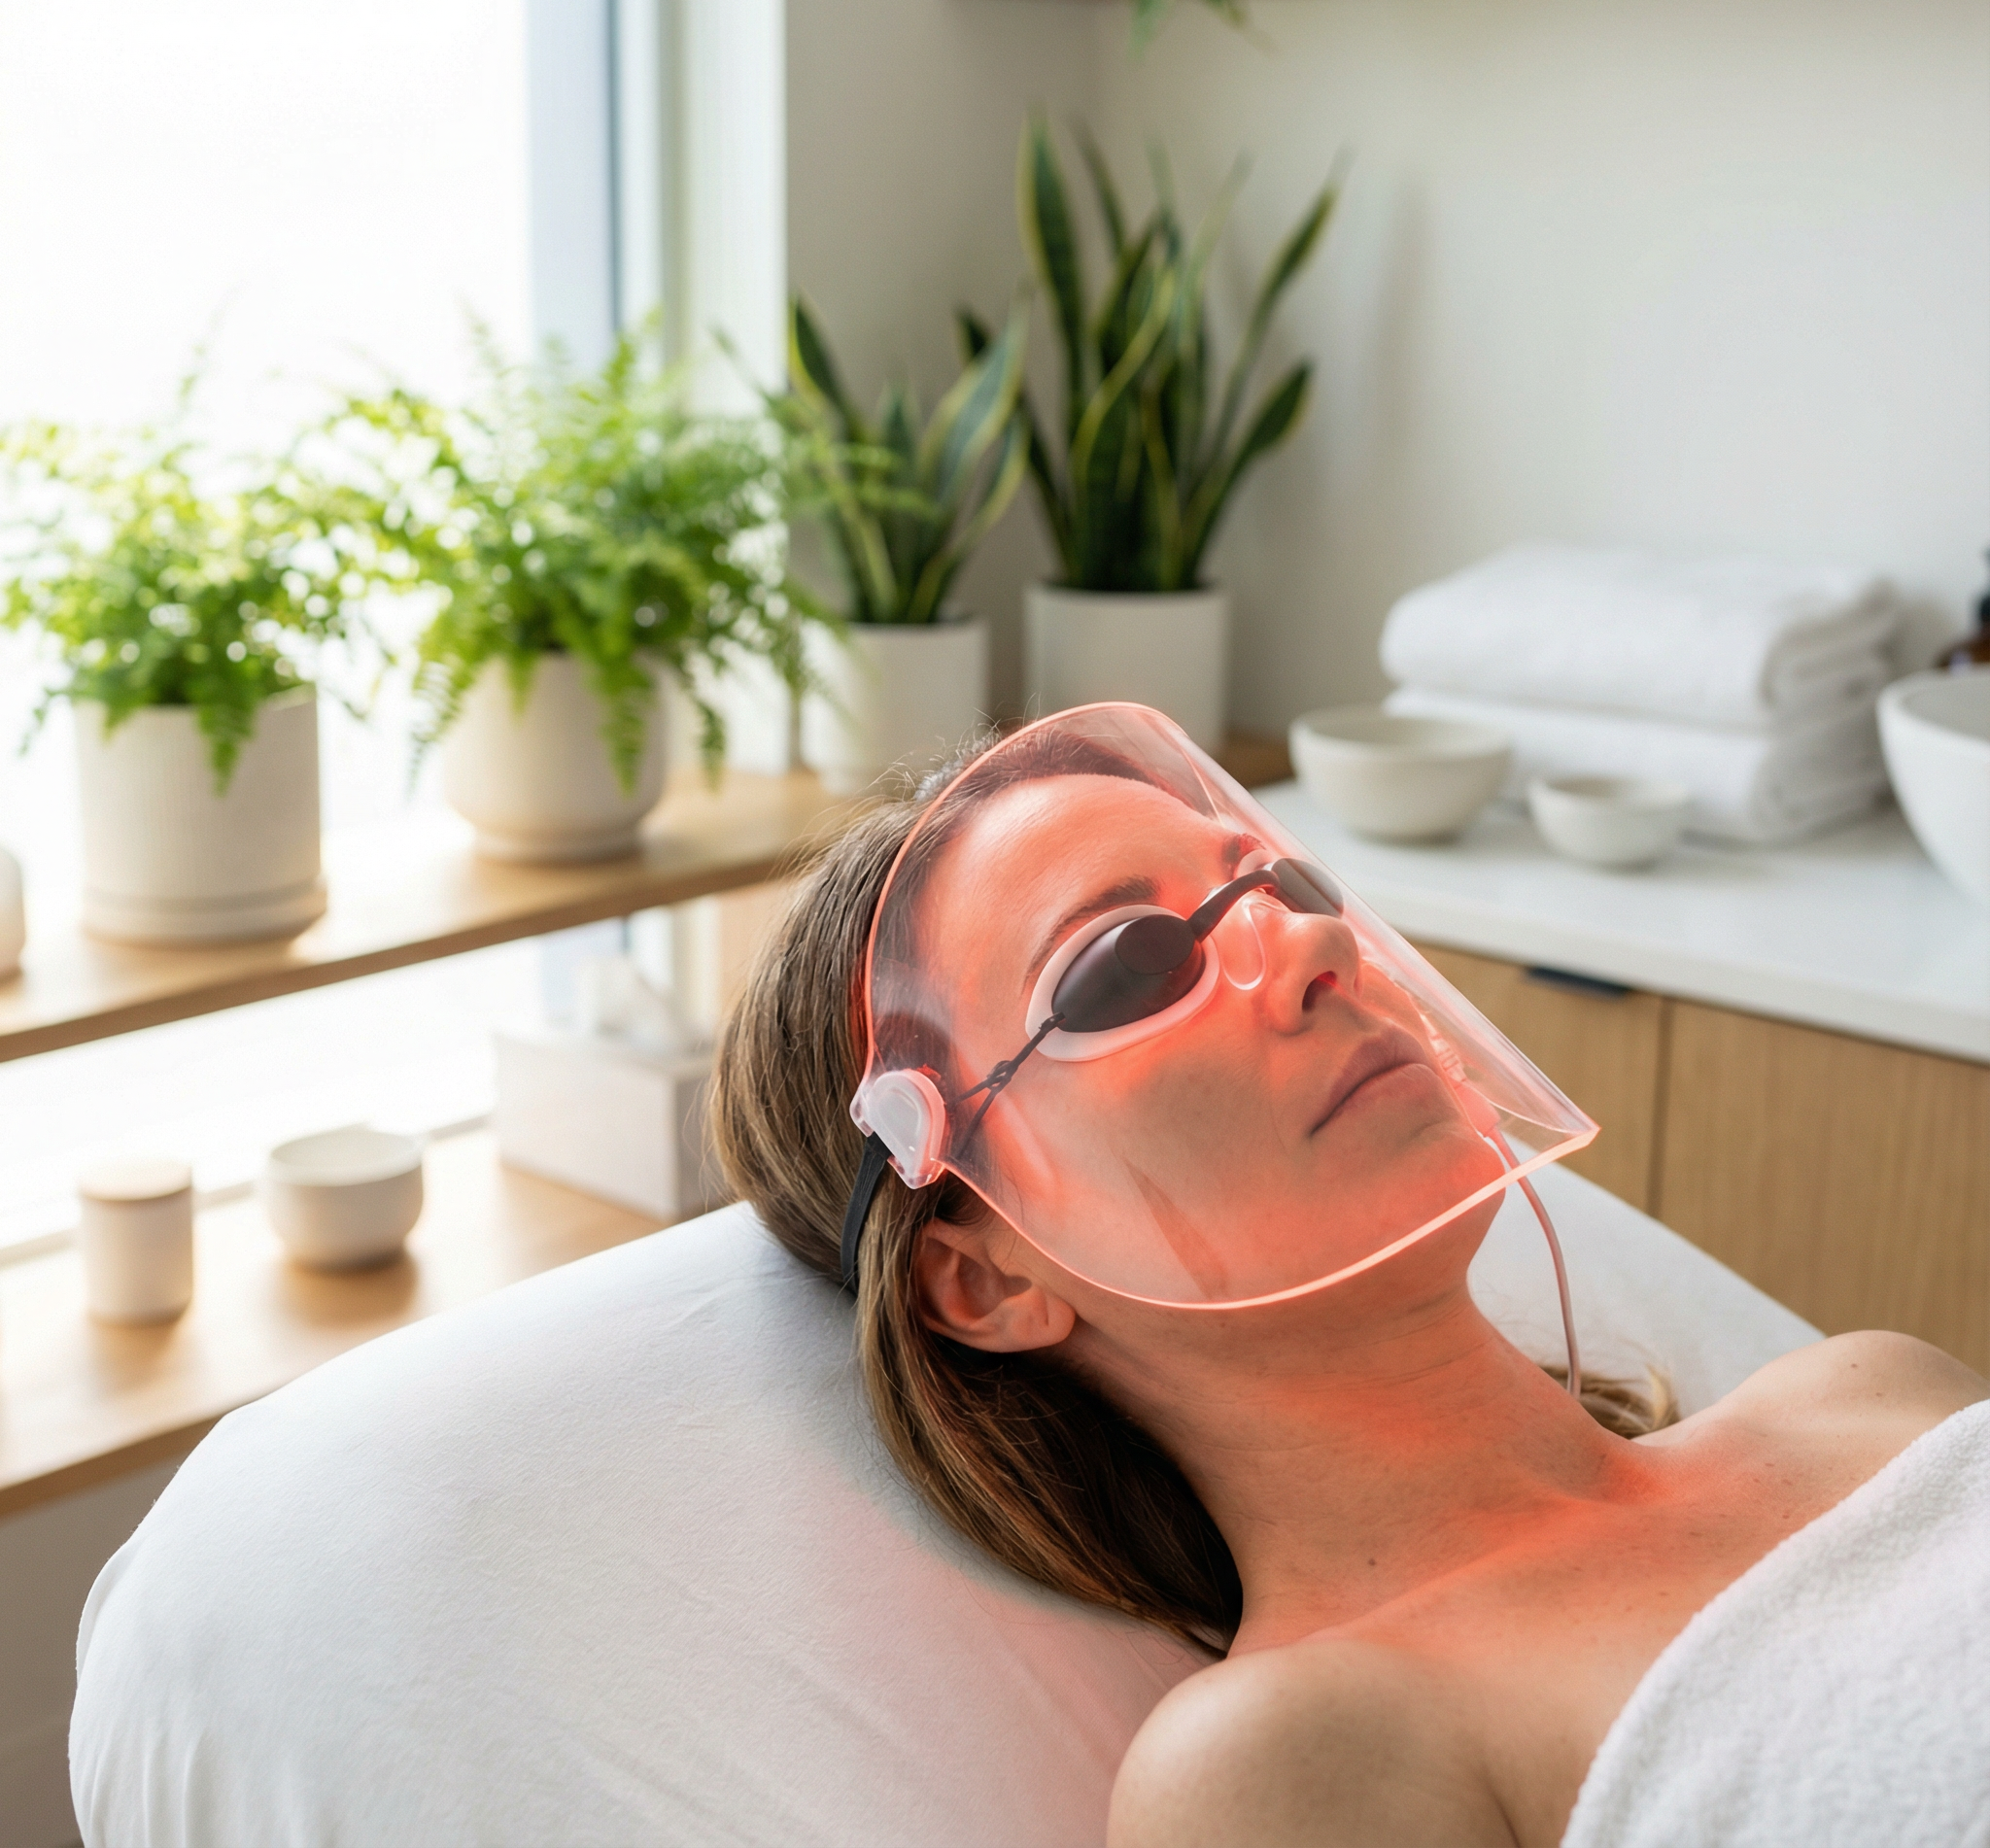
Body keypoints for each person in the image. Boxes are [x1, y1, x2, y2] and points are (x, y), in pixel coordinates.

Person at [710, 712, 1986, 1848]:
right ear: (987, 1281)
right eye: (1132, 966)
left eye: (1287, 882)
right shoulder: (1288, 1759)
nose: (1316, 938)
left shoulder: (1873, 1400)